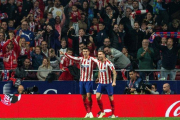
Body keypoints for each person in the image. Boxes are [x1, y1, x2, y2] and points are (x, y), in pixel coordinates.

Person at [60, 47, 96, 118]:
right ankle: (87, 112)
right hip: (81, 80)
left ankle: (91, 111)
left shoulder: (92, 59)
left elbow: (98, 61)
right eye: (84, 51)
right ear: (82, 52)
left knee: (89, 96)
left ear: (88, 52)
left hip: (89, 80)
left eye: (86, 51)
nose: (85, 53)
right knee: (83, 97)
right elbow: (72, 58)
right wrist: (64, 53)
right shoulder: (80, 59)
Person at [94, 50, 117, 118]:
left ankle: (113, 114)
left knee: (111, 98)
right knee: (97, 97)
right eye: (98, 54)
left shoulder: (108, 63)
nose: (99, 55)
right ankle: (102, 112)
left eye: (100, 54)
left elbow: (114, 72)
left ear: (104, 55)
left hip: (108, 83)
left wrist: (114, 81)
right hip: (101, 83)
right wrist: (98, 78)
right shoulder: (98, 62)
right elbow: (99, 71)